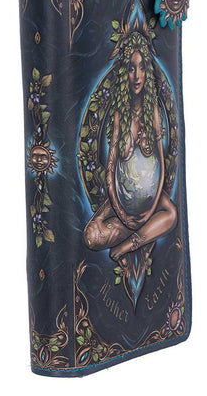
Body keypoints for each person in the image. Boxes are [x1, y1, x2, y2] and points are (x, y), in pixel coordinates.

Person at [83, 31, 177, 261]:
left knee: (172, 214)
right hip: (121, 201)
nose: (137, 76)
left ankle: (130, 244)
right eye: (131, 68)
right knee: (91, 237)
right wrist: (122, 213)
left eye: (142, 68)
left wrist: (151, 208)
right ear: (125, 72)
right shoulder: (119, 116)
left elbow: (162, 165)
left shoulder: (153, 112)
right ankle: (144, 230)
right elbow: (111, 169)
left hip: (151, 201)